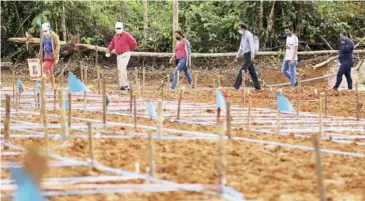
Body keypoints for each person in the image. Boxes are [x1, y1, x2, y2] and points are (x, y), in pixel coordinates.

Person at [106, 22, 137, 91]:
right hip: (119, 55)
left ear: (122, 28)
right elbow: (112, 44)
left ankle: (125, 85)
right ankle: (122, 85)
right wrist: (108, 50)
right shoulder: (115, 36)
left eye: (119, 28)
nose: (118, 29)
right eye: (117, 28)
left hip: (125, 54)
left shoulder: (126, 35)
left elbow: (133, 42)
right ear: (115, 29)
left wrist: (129, 49)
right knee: (120, 69)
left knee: (122, 68)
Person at [233, 24, 260, 90]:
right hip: (246, 54)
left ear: (244, 29)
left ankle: (236, 86)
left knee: (243, 69)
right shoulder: (243, 36)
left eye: (240, 29)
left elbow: (252, 46)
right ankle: (258, 87)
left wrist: (252, 56)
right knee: (252, 71)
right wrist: (237, 56)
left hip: (249, 54)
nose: (239, 30)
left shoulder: (249, 35)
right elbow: (241, 47)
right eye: (238, 29)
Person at [39, 22, 60, 88]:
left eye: (46, 31)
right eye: (43, 31)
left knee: (44, 67)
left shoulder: (54, 35)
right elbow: (42, 46)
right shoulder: (42, 35)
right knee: (50, 70)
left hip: (52, 55)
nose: (45, 32)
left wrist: (55, 54)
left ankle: (46, 83)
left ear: (49, 29)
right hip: (46, 55)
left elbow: (58, 45)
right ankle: (53, 85)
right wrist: (40, 56)